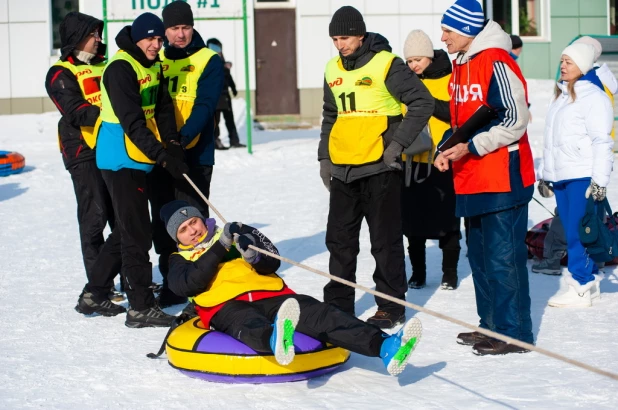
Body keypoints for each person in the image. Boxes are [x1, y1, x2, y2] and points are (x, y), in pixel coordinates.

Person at [162, 200, 423, 376]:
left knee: (322, 314)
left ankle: (386, 347)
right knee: (247, 323)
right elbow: (187, 284)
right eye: (183, 230)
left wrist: (255, 255)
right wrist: (220, 247)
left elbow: (273, 260)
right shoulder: (179, 259)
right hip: (226, 306)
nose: (192, 231)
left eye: (193, 222)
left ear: (201, 219)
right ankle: (275, 339)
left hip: (273, 295)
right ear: (177, 238)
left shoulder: (235, 233)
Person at [318, 6, 434, 329]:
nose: (339, 45)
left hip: (379, 169)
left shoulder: (387, 64)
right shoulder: (332, 69)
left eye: (344, 38)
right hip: (342, 169)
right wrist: (324, 158)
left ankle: (391, 305)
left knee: (385, 241)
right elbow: (330, 114)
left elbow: (422, 102)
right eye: (334, 39)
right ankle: (338, 303)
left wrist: (396, 145)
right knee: (339, 242)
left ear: (360, 34)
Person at [434, 0, 535, 355]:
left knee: (502, 258)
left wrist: (472, 147)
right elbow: (463, 123)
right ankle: (491, 324)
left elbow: (515, 119)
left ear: (465, 31)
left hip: (502, 179)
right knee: (478, 257)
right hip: (472, 177)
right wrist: (447, 148)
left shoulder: (496, 60)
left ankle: (513, 333)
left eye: (448, 30)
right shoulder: (462, 63)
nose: (442, 37)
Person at [96, 12, 189, 327]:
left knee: (128, 227)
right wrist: (161, 155)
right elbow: (132, 122)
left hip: (142, 154)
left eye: (159, 39)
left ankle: (94, 291)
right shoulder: (121, 68)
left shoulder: (154, 64)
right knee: (136, 232)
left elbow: (162, 108)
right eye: (150, 38)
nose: (156, 44)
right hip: (120, 156)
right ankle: (139, 307)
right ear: (136, 38)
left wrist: (172, 145)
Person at [45, 12, 124, 315]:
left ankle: (127, 280)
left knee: (122, 214)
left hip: (113, 147)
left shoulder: (106, 65)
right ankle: (98, 287)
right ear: (77, 37)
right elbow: (75, 110)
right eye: (93, 34)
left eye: (99, 34)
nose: (99, 39)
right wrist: (118, 118)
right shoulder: (59, 72)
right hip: (82, 151)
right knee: (95, 217)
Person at [152, 1, 225, 307]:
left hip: (194, 153)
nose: (180, 35)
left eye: (185, 27)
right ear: (165, 30)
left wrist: (180, 140)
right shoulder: (156, 59)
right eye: (173, 28)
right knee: (164, 220)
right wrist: (164, 146)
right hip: (161, 153)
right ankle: (172, 280)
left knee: (194, 219)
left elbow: (206, 106)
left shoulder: (209, 59)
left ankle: (202, 281)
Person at [532, 36, 617, 276]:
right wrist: (547, 175)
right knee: (571, 232)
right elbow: (552, 140)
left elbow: (602, 141)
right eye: (562, 61)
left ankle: (581, 283)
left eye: (569, 62)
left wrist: (599, 181)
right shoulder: (561, 95)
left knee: (581, 233)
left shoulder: (593, 96)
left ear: (582, 66)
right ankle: (582, 281)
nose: (563, 66)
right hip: (562, 175)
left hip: (582, 174)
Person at [401, 29, 461, 291]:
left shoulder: (449, 78)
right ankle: (418, 273)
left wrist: (425, 101)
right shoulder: (405, 81)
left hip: (443, 159)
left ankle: (449, 273)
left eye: (418, 59)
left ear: (429, 56)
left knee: (447, 221)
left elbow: (455, 113)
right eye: (410, 60)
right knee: (412, 223)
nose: (414, 65)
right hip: (412, 162)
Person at [207, 38, 245, 149]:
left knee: (229, 119)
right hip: (215, 96)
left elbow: (228, 77)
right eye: (215, 48)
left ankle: (234, 140)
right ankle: (215, 141)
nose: (218, 51)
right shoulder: (208, 61)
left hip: (225, 95)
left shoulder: (222, 61)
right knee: (215, 121)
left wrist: (233, 88)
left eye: (219, 48)